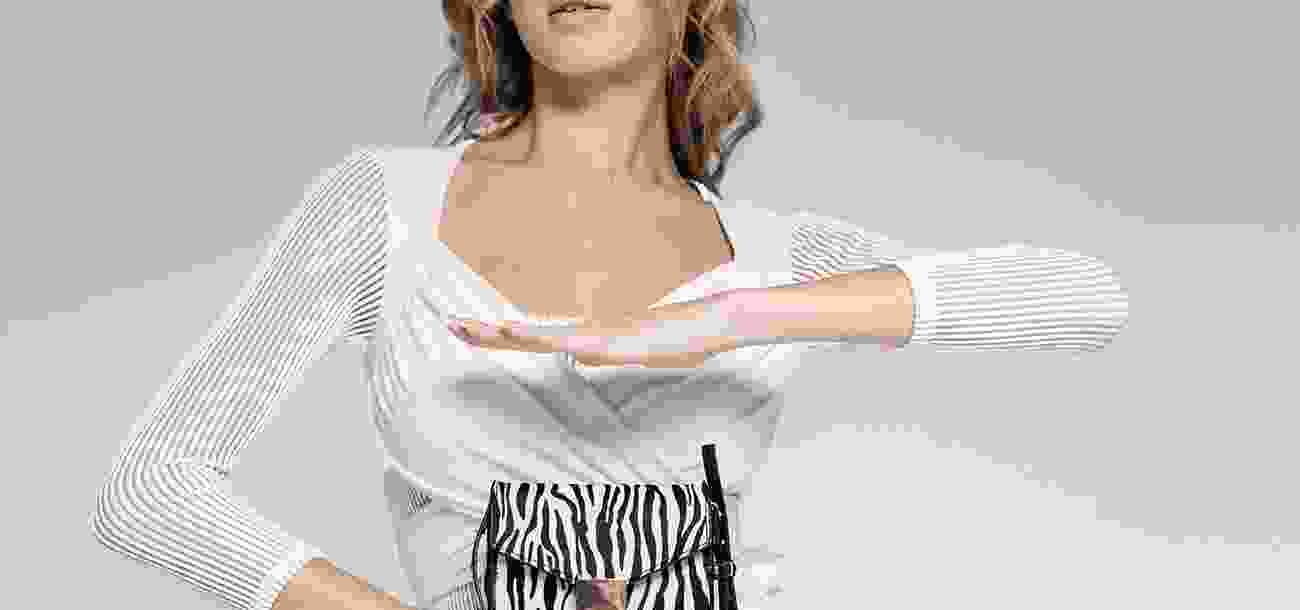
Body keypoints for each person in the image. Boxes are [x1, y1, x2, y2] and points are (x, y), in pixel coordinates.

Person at [88, 1, 1131, 609]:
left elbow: (1087, 299)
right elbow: (148, 487)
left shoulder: (774, 258)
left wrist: (739, 316)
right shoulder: (384, 209)